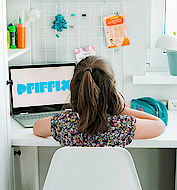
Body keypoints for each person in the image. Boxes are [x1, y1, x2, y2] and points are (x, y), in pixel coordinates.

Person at [33, 56, 165, 147]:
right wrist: (120, 109)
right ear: (113, 89)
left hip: (73, 187)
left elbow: (37, 128)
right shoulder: (122, 125)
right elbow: (159, 125)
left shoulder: (64, 123)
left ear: (72, 87)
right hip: (112, 187)